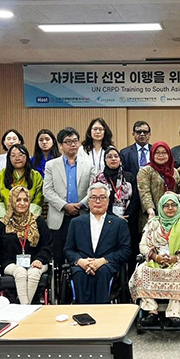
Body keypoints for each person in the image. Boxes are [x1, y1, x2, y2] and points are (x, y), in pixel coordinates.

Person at [130, 193, 180, 327]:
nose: (170, 208)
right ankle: (152, 311)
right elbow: (143, 245)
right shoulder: (153, 223)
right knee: (141, 270)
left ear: (178, 206)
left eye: (173, 205)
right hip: (155, 260)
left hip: (178, 261)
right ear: (160, 208)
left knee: (179, 271)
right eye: (166, 205)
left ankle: (174, 314)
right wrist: (155, 257)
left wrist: (178, 256)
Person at [64, 183, 132, 304]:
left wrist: (103, 260)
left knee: (103, 272)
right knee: (79, 273)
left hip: (107, 265)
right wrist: (81, 262)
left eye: (102, 197)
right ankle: (82, 314)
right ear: (88, 201)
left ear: (108, 200)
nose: (98, 201)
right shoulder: (76, 223)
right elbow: (68, 250)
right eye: (94, 197)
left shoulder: (119, 223)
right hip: (82, 264)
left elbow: (125, 250)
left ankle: (102, 314)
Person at [0, 186, 53, 304]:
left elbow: (48, 245)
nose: (22, 203)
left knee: (34, 272)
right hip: (10, 263)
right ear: (11, 201)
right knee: (20, 272)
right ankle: (26, 307)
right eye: (18, 200)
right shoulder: (2, 225)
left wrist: (39, 259)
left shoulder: (38, 221)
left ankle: (24, 308)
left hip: (38, 261)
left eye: (25, 200)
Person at [43, 127, 96, 272]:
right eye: (68, 142)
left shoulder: (89, 165)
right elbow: (47, 191)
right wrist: (65, 205)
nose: (73, 144)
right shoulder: (51, 165)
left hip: (81, 214)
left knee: (82, 254)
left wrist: (80, 204)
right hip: (59, 217)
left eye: (75, 141)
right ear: (60, 145)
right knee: (59, 256)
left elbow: (93, 190)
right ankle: (60, 292)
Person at [0, 144, 43, 220]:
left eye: (21, 155)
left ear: (27, 157)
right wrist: (4, 219)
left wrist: (29, 217)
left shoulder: (36, 176)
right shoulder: (1, 175)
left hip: (30, 220)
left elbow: (39, 197)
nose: (17, 158)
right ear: (9, 158)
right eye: (13, 155)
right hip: (7, 220)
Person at [137, 141, 180, 232]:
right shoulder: (145, 171)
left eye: (164, 152)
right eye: (157, 152)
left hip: (173, 214)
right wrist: (151, 212)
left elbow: (179, 191)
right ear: (152, 154)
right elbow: (144, 192)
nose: (161, 155)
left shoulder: (174, 171)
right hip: (153, 215)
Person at [94, 145, 137, 220]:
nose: (113, 159)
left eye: (116, 156)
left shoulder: (129, 177)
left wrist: (127, 215)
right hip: (105, 218)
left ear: (120, 160)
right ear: (105, 160)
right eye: (109, 157)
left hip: (128, 218)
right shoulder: (99, 179)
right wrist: (113, 216)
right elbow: (96, 200)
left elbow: (135, 199)